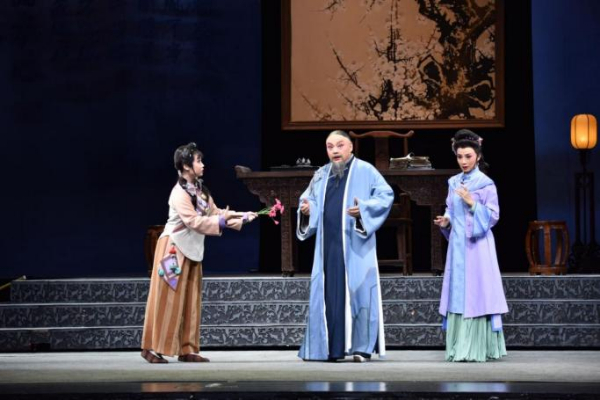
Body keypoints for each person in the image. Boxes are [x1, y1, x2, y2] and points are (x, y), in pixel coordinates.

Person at [141, 142, 257, 363]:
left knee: (191, 300)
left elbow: (215, 213)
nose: (203, 165)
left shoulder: (201, 191)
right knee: (167, 299)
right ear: (186, 166)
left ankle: (187, 348)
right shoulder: (179, 193)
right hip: (173, 249)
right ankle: (152, 347)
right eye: (198, 161)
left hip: (192, 249)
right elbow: (194, 221)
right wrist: (224, 220)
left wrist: (243, 216)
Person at [297, 130, 394, 362]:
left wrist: (364, 209)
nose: (335, 151)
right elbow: (308, 199)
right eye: (330, 147)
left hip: (355, 244)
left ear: (351, 147)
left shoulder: (366, 170)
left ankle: (361, 348)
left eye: (340, 145)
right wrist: (307, 209)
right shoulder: (321, 174)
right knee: (330, 295)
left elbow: (385, 195)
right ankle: (332, 348)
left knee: (360, 292)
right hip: (328, 245)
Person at [434, 129, 508, 362]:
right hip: (458, 246)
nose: (464, 161)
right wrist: (446, 220)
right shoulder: (453, 181)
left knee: (477, 292)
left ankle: (478, 347)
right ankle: (458, 346)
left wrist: (472, 203)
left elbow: (493, 215)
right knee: (458, 292)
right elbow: (450, 207)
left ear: (478, 155)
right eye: (459, 156)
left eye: (468, 156)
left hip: (478, 246)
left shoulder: (485, 183)